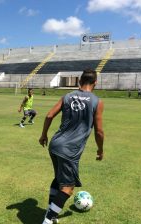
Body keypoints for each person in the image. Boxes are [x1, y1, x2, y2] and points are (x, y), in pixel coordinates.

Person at [39, 69, 104, 224]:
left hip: (55, 144)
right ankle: (47, 220)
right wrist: (100, 149)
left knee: (58, 179)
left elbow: (49, 115)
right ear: (95, 83)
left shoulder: (67, 96)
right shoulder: (97, 101)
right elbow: (99, 131)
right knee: (68, 188)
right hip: (69, 150)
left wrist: (43, 135)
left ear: (79, 81)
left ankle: (51, 213)